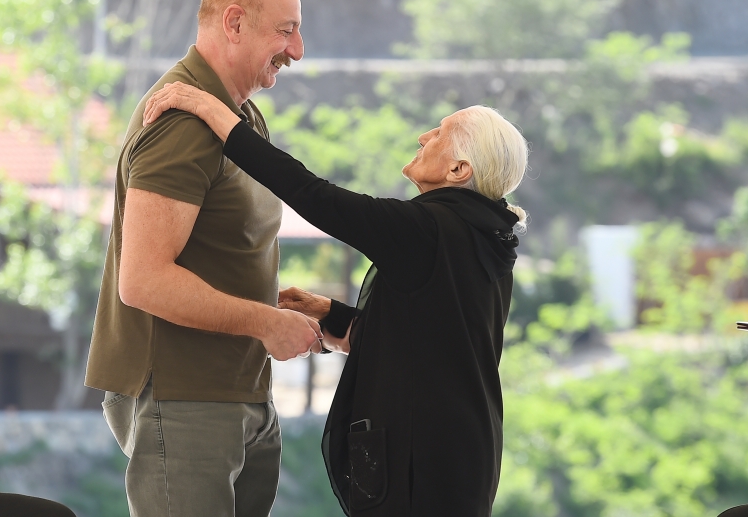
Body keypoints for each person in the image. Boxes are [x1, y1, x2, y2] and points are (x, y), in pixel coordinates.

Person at [143, 83, 529, 516]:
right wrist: (329, 314)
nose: (424, 137)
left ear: (459, 169)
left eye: (439, 134)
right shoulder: (484, 239)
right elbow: (423, 340)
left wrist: (211, 111)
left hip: (421, 460)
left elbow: (313, 195)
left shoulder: (429, 229)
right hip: (461, 456)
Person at [84, 0, 323, 517]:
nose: (297, 50)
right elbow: (144, 280)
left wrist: (275, 307)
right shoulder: (182, 123)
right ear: (234, 23)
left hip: (237, 393)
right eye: (285, 31)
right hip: (186, 399)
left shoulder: (237, 118)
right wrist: (266, 323)